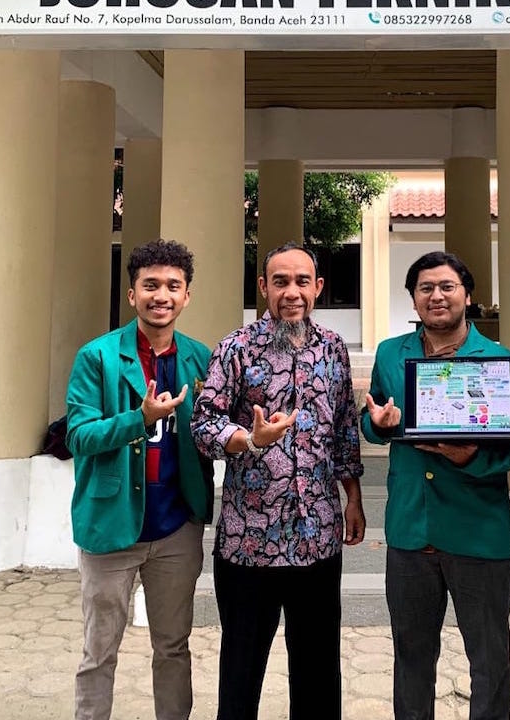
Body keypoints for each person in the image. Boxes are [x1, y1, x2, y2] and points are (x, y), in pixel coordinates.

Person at [191, 242, 365, 720]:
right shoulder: (236, 348)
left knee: (318, 670)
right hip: (249, 542)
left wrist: (353, 497)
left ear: (318, 287)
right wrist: (249, 439)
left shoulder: (333, 348)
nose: (292, 292)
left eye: (302, 281)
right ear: (263, 287)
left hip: (318, 538)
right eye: (281, 281)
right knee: (242, 671)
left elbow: (344, 428)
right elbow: (203, 425)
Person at [362, 251, 510, 720]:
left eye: (447, 286)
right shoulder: (391, 353)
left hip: (477, 532)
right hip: (411, 530)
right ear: (414, 299)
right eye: (425, 288)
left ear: (467, 295)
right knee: (411, 657)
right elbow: (371, 419)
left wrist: (471, 457)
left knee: (489, 659)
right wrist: (378, 424)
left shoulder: (500, 361)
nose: (436, 296)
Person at [66, 239, 213, 720]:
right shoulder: (97, 357)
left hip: (176, 528)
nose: (161, 295)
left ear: (186, 295)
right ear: (132, 294)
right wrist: (140, 419)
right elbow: (79, 436)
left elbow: (215, 429)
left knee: (173, 646)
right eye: (150, 285)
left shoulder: (200, 358)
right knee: (99, 650)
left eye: (173, 286)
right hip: (111, 525)